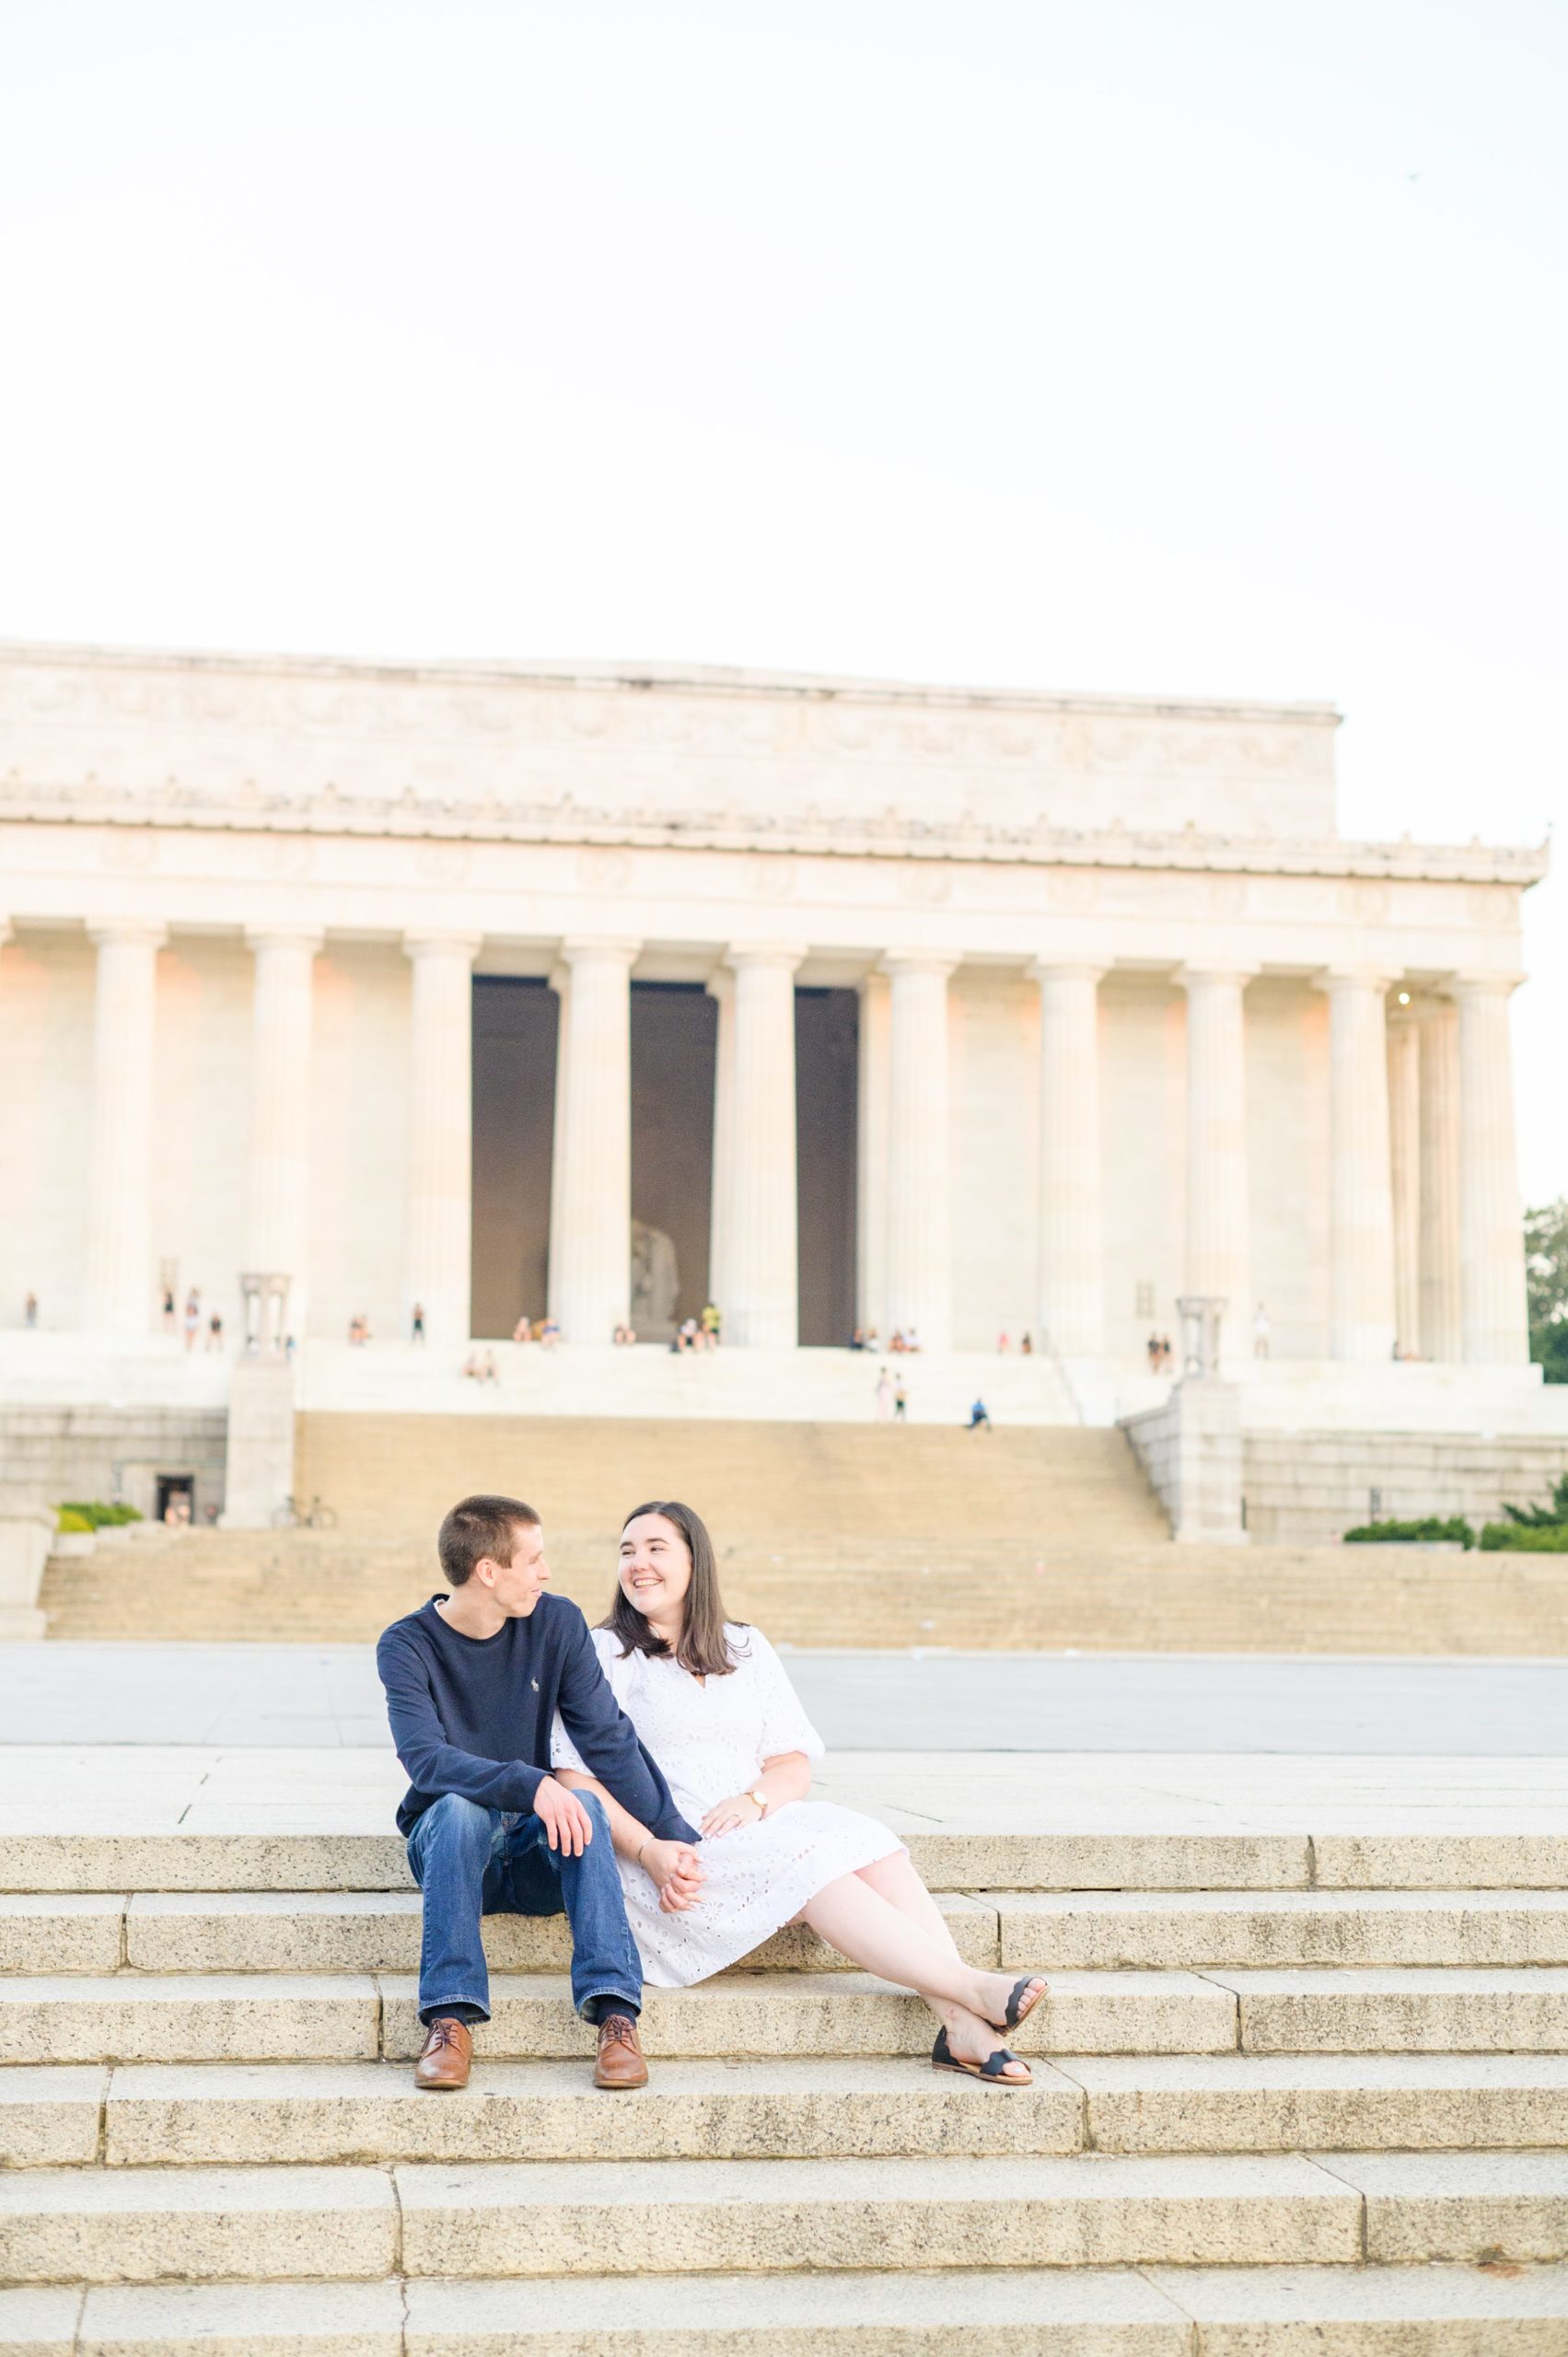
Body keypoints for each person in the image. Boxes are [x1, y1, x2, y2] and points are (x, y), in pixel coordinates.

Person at [551, 1501, 1047, 2086]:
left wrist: (755, 1801)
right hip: (669, 1849)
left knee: (873, 1843)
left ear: (694, 1560)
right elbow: (573, 1778)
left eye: (657, 1548)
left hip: (753, 1820)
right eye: (628, 1551)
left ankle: (959, 2025)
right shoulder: (603, 1652)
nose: (638, 1564)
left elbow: (790, 1760)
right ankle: (969, 1989)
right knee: (814, 1866)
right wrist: (647, 1851)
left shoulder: (744, 1646)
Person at [376, 1493, 703, 2094]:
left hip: (535, 1859)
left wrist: (672, 1836)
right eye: (533, 1560)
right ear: (488, 1571)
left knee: (584, 1804)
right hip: (454, 1855)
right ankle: (449, 2018)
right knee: (455, 1809)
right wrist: (531, 1783)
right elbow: (425, 1760)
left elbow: (606, 1740)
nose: (546, 1573)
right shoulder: (406, 1644)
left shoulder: (555, 1622)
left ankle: (615, 2017)